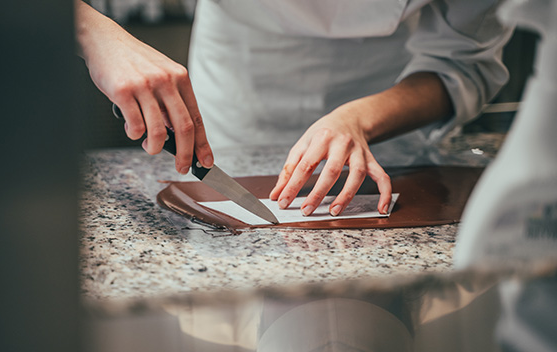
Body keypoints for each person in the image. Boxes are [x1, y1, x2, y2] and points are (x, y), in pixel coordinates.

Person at [76, 0, 512, 217]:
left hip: (392, 101)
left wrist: (359, 118)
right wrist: (95, 35)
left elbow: (463, 62)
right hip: (238, 87)